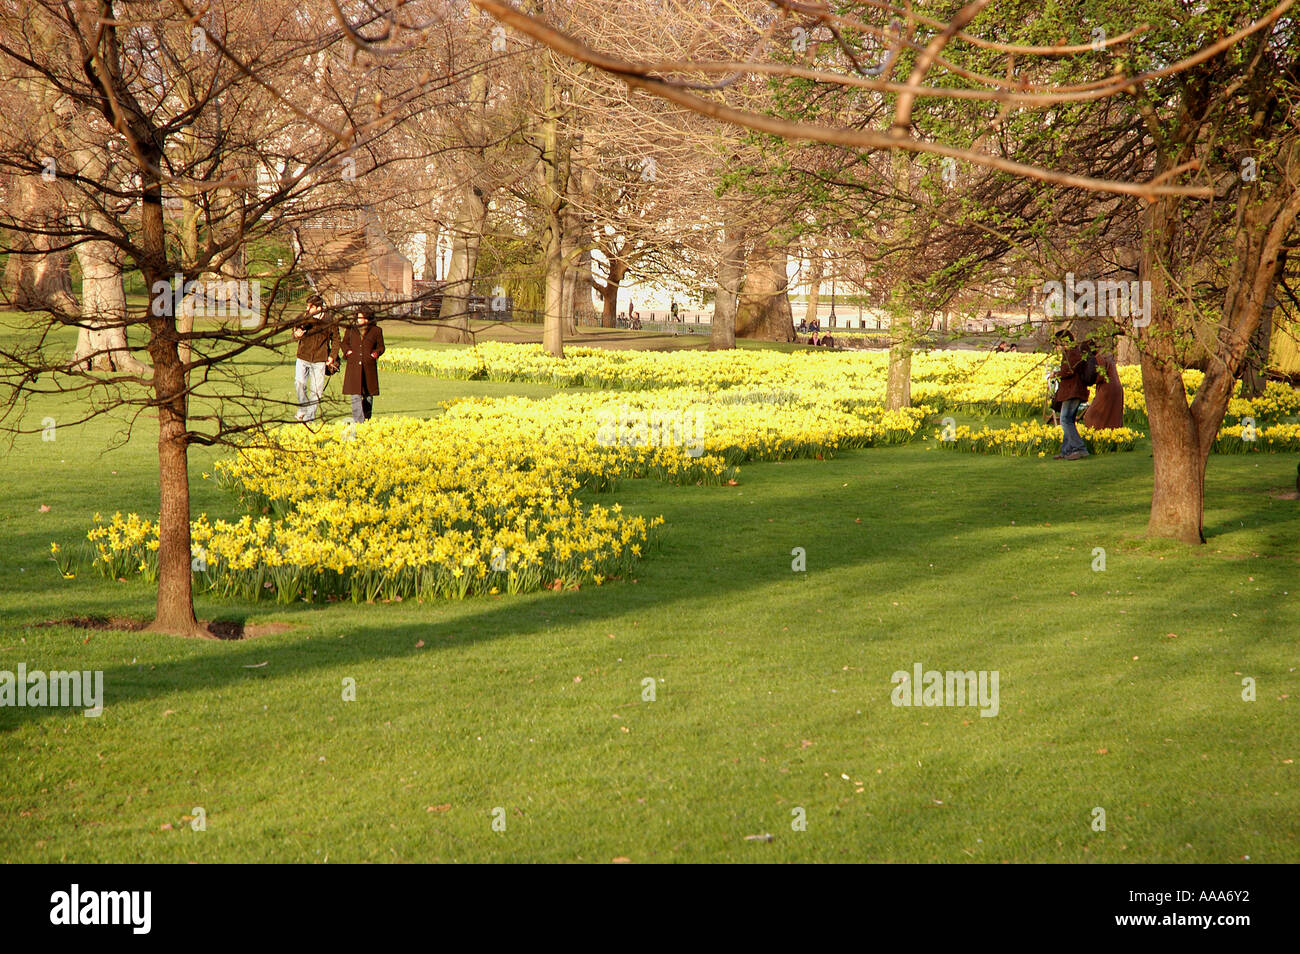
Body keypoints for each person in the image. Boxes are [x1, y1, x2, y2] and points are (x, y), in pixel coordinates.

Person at [292, 294, 338, 423]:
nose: (307, 309)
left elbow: (336, 340)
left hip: (320, 359)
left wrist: (332, 356)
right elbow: (294, 330)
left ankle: (309, 417)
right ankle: (303, 408)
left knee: (316, 391)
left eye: (310, 307)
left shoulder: (329, 320)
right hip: (302, 357)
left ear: (318, 308)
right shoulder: (303, 317)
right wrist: (296, 334)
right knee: (299, 384)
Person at [341, 306, 385, 423]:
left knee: (368, 396)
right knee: (355, 395)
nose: (358, 319)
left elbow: (381, 347)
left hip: (368, 367)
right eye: (358, 317)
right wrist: (348, 351)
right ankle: (359, 421)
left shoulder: (376, 330)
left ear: (367, 318)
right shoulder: (351, 329)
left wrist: (375, 354)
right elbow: (344, 343)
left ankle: (367, 419)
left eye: (361, 317)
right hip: (354, 366)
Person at [1051, 330, 1090, 460]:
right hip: (1072, 390)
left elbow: (1069, 371)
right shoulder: (1071, 352)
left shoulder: (1072, 353)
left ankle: (1079, 448)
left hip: (1073, 391)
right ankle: (1066, 451)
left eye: (1058, 343)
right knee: (1068, 420)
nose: (1057, 346)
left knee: (1064, 420)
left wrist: (1055, 374)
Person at [1082, 340, 1124, 429]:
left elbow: (1099, 376)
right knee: (1112, 417)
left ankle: (1098, 437)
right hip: (1115, 389)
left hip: (1107, 389)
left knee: (1091, 416)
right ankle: (1111, 438)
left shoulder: (1099, 358)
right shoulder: (1104, 355)